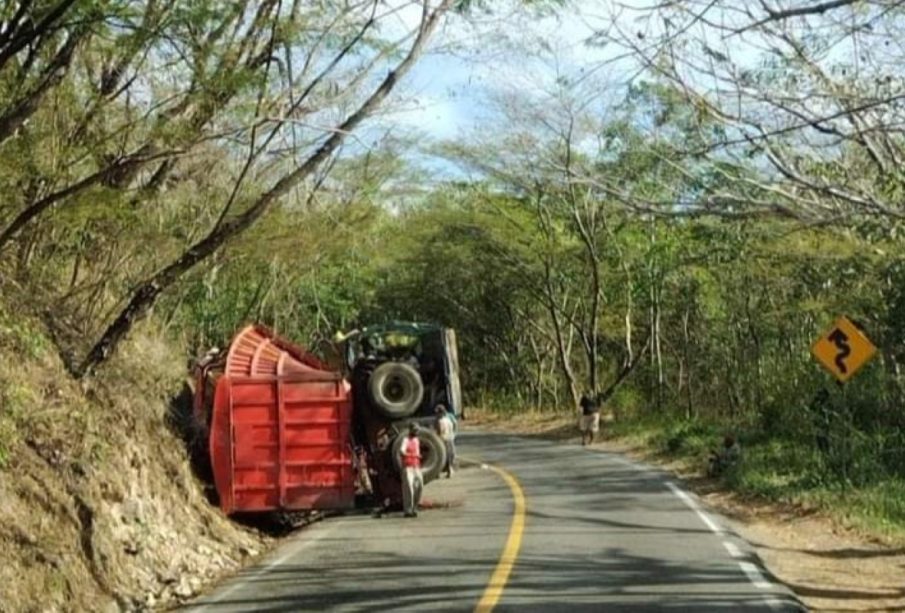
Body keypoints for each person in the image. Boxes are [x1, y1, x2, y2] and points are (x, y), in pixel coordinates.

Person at [399, 423, 423, 517]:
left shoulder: (416, 440)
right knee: (409, 488)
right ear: (411, 430)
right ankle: (408, 510)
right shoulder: (405, 440)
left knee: (419, 486)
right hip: (407, 466)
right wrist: (413, 455)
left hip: (416, 466)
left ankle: (415, 507)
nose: (417, 432)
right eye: (415, 430)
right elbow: (402, 451)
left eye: (418, 430)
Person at [435, 405, 456, 478]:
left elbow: (439, 431)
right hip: (450, 438)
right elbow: (453, 428)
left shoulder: (439, 421)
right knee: (450, 455)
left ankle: (438, 473)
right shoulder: (448, 420)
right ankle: (450, 470)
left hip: (443, 439)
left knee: (441, 456)